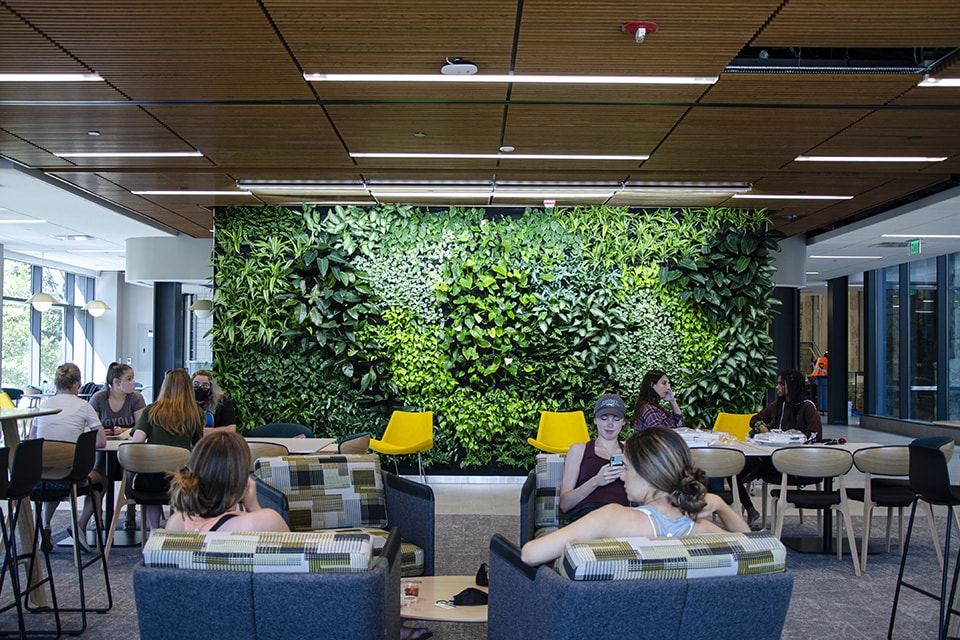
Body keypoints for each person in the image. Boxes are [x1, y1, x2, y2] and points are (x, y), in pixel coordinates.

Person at [521, 427, 749, 566]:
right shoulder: (702, 530)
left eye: (627, 469)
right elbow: (757, 549)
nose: (622, 478)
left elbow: (530, 554)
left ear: (647, 473)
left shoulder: (610, 518)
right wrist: (719, 505)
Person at [32, 362, 107, 553]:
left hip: (41, 475)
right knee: (101, 481)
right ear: (77, 385)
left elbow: (32, 441)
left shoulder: (43, 406)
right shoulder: (84, 406)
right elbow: (101, 442)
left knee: (53, 475)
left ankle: (46, 525)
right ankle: (80, 526)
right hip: (72, 476)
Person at [164, 431, 288, 533]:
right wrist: (254, 506)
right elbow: (296, 556)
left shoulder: (176, 524)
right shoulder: (264, 523)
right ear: (243, 482)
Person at [132, 369, 205, 530]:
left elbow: (136, 441)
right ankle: (176, 527)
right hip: (180, 482)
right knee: (185, 480)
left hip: (149, 482)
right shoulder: (196, 413)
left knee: (152, 483)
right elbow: (199, 447)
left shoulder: (151, 410)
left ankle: (154, 530)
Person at [89, 362, 146, 530]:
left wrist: (125, 430)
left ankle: (130, 515)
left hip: (126, 448)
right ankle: (97, 516)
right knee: (98, 472)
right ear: (116, 382)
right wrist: (103, 432)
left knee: (129, 475)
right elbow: (92, 426)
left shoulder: (135, 398)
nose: (133, 382)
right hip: (104, 449)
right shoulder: (99, 398)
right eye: (129, 378)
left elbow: (140, 425)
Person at [558, 393, 629, 522]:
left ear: (623, 422)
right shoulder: (579, 450)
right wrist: (596, 481)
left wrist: (630, 476)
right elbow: (564, 504)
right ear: (595, 420)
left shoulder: (630, 452)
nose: (610, 424)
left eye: (616, 419)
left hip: (619, 516)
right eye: (604, 418)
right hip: (587, 515)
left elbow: (643, 497)